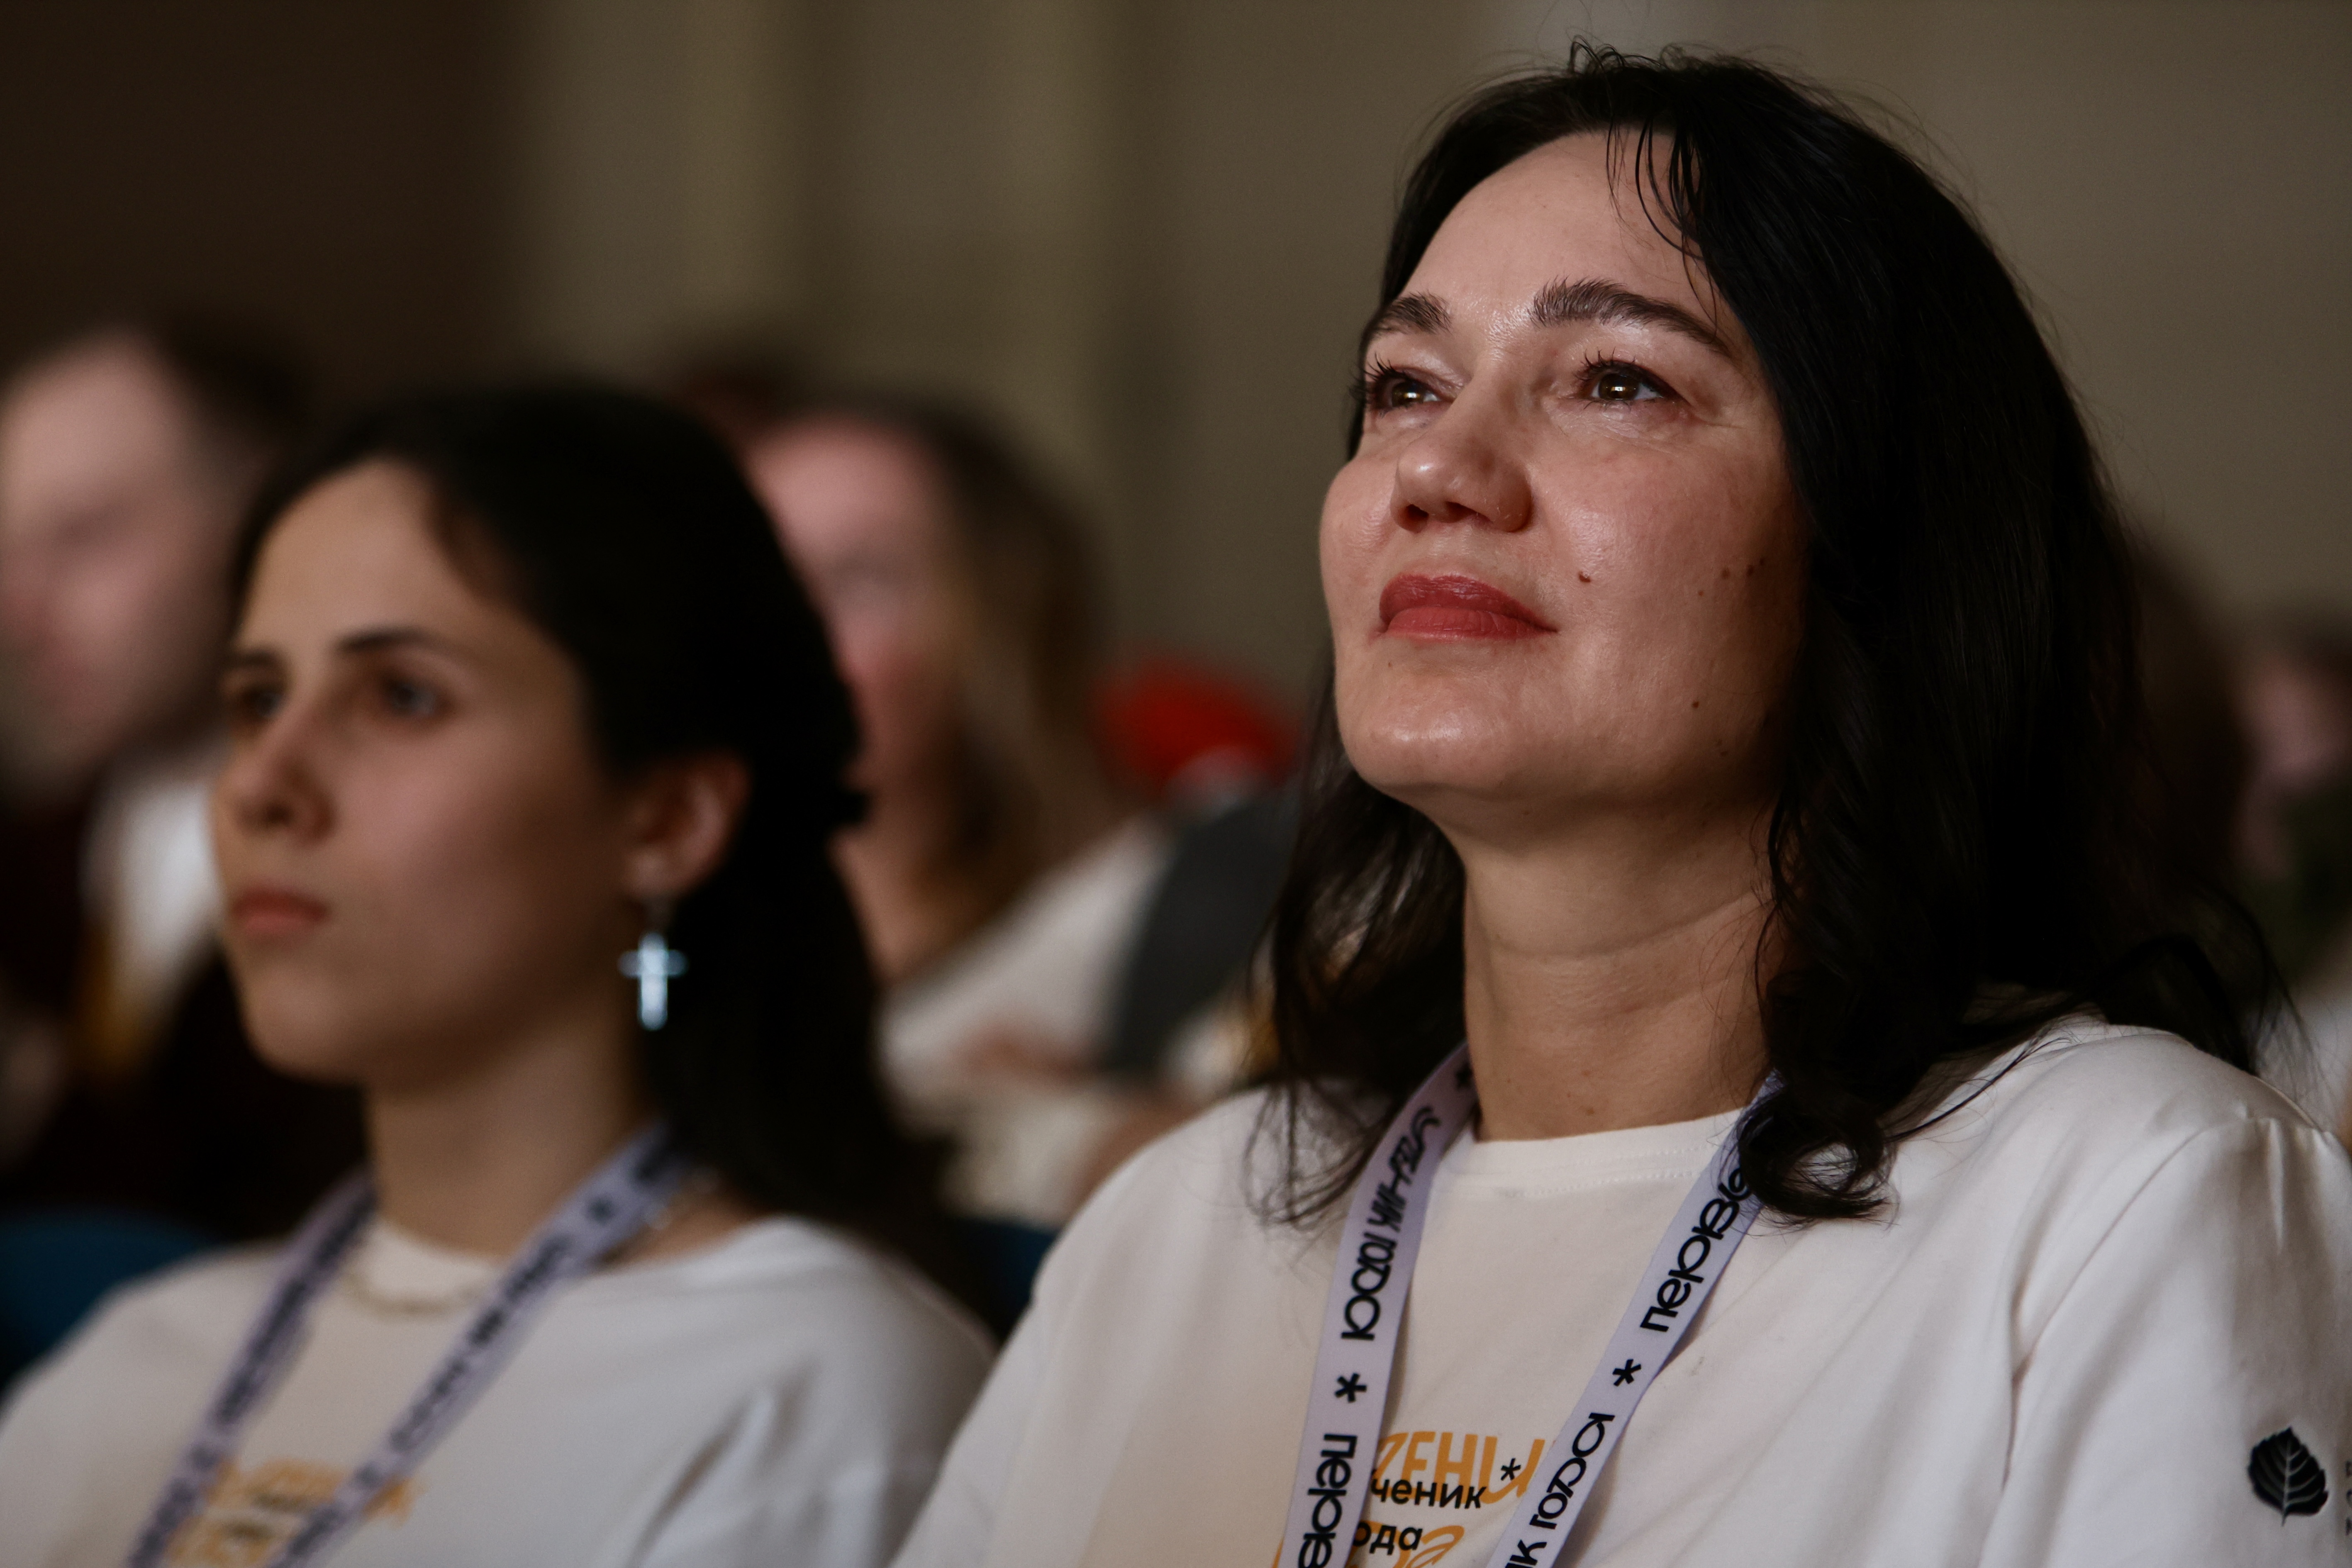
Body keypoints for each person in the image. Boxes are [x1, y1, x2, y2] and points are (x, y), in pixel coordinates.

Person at [895, 47, 2352, 1568]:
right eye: (1403, 386)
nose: (1437, 467)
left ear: (1880, 544)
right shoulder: (1187, 1221)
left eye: (1617, 382)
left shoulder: (2120, 1192)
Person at [0, 385, 991, 1566]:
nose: (262, 782)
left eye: (401, 696)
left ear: (666, 817)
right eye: (258, 700)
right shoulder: (138, 1352)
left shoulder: (805, 1387)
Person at [745, 402, 1275, 1285]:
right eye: (749, 574)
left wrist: (1068, 1126)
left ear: (991, 624)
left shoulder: (1166, 904)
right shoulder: (651, 924)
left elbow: (1279, 1208)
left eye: (859, 579)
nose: (778, 629)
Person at [0, 319, 359, 1377]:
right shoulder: (21, 864)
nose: (19, 614)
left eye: (83, 537)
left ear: (263, 517)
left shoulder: (391, 866)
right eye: (7, 554)